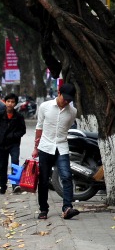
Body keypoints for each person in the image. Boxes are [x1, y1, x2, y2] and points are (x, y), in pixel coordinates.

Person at [32, 83, 79, 220]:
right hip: (45, 147)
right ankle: (43, 209)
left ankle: (67, 208)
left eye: (69, 100)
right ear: (59, 93)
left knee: (66, 176)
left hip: (62, 147)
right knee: (44, 179)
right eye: (64, 98)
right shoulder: (45, 107)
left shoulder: (73, 112)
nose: (66, 102)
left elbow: (68, 126)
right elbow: (39, 127)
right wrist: (35, 148)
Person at [0, 93, 26, 194]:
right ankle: (2, 187)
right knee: (2, 166)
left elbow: (22, 130)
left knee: (15, 163)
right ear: (5, 102)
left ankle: (15, 185)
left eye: (12, 102)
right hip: (1, 144)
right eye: (8, 101)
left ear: (15, 104)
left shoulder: (19, 117)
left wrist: (14, 135)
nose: (10, 104)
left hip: (14, 144)